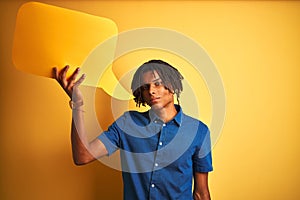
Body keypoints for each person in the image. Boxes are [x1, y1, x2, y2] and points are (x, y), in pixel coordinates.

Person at [53, 59, 213, 200]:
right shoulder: (127, 124)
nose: (151, 91)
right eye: (145, 87)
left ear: (171, 86)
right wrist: (77, 104)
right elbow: (83, 156)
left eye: (157, 83)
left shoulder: (198, 131)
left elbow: (201, 193)